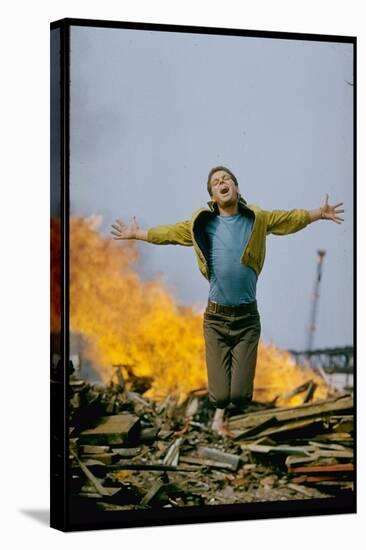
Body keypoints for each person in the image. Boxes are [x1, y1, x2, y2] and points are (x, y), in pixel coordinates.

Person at [110, 166, 344, 435]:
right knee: (220, 397)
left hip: (247, 321)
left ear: (236, 188)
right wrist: (137, 234)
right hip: (216, 321)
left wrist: (319, 214)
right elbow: (170, 234)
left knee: (241, 398)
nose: (222, 183)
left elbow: (289, 219)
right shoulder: (203, 224)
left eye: (227, 180)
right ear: (213, 195)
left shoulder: (257, 219)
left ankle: (237, 380)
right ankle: (222, 393)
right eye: (216, 182)